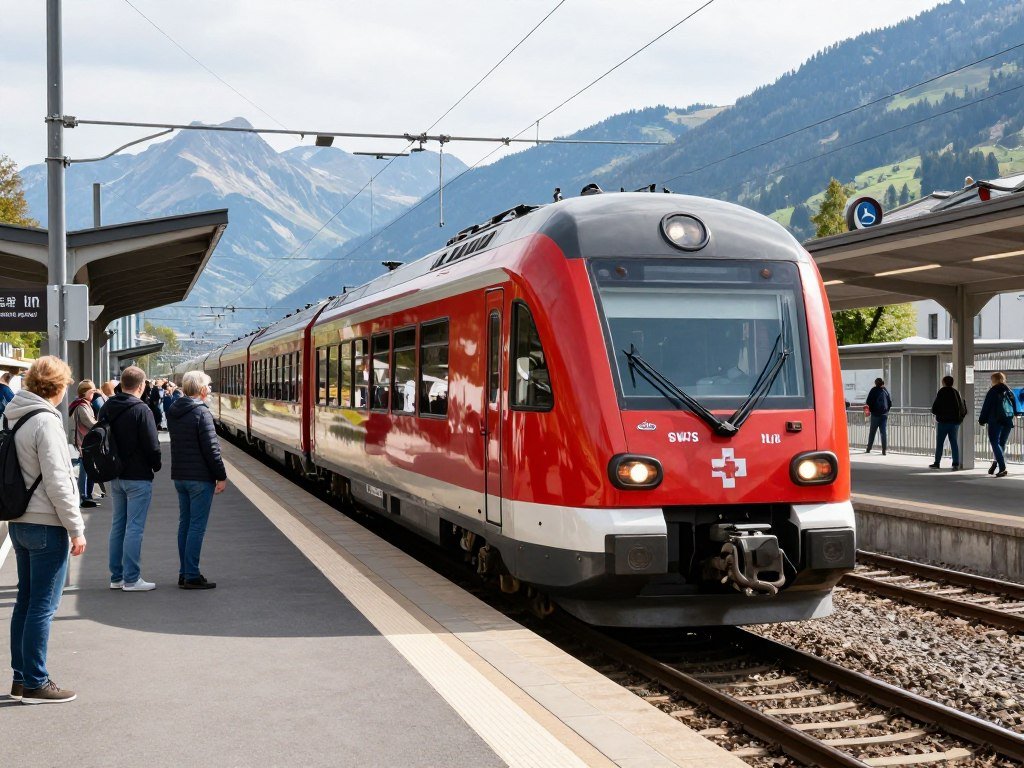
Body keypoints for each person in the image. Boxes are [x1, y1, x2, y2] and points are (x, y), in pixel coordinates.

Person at [6, 356, 86, 704]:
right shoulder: (45, 421)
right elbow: (58, 481)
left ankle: (21, 678)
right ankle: (36, 683)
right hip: (45, 523)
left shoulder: (13, 415)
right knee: (42, 606)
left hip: (20, 520)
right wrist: (76, 527)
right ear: (57, 386)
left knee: (25, 602)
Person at [99, 365, 161, 591]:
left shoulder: (107, 407)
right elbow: (152, 444)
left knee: (118, 525)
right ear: (141, 385)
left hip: (115, 475)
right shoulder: (141, 409)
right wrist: (156, 465)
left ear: (121, 384)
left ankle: (117, 577)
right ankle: (132, 579)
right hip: (138, 476)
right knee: (134, 527)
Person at [166, 371, 227, 590]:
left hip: (180, 476)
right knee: (196, 527)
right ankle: (191, 574)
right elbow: (212, 449)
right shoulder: (202, 413)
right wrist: (221, 476)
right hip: (200, 478)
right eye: (208, 386)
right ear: (201, 389)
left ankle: (184, 572)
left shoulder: (174, 411)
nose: (210, 389)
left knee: (185, 524)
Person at [979, 371, 1018, 478]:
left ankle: (1002, 468)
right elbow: (1015, 407)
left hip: (995, 421)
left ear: (994, 380)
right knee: (1001, 444)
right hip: (1008, 421)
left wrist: (982, 420)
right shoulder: (1009, 391)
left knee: (995, 443)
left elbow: (986, 407)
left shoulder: (993, 391)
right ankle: (995, 463)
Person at [69, 380, 100, 508]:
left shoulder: (83, 404)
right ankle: (84, 496)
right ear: (84, 392)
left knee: (88, 468)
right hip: (85, 441)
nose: (93, 394)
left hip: (86, 440)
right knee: (86, 469)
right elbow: (90, 423)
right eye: (91, 392)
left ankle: (87, 495)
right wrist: (101, 424)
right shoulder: (82, 406)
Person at [929, 376, 968, 470]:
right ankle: (955, 464)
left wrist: (938, 413)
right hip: (955, 422)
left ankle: (937, 463)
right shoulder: (955, 392)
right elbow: (961, 407)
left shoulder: (942, 392)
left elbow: (935, 408)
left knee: (940, 443)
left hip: (943, 422)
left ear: (943, 382)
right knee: (954, 442)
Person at [864, 377, 892, 455]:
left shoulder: (873, 390)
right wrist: (886, 411)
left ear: (876, 383)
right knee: (883, 432)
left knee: (872, 432)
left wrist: (872, 410)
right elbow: (890, 403)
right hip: (884, 415)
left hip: (875, 415)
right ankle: (884, 450)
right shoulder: (885, 390)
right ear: (882, 383)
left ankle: (868, 448)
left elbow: (868, 402)